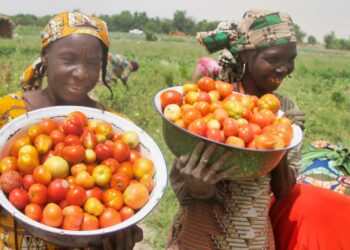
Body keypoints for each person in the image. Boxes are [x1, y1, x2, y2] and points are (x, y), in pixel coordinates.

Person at [168, 9, 350, 250]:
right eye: (274, 59)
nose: (284, 68)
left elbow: (284, 190)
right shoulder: (215, 101)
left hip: (253, 238)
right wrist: (200, 188)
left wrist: (281, 138)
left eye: (290, 59)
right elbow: (184, 180)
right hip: (202, 236)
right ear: (246, 56)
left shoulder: (284, 110)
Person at [0, 12, 142, 250]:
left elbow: (126, 197)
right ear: (45, 56)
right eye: (68, 60)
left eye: (92, 63)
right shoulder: (7, 111)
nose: (81, 73)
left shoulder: (112, 127)